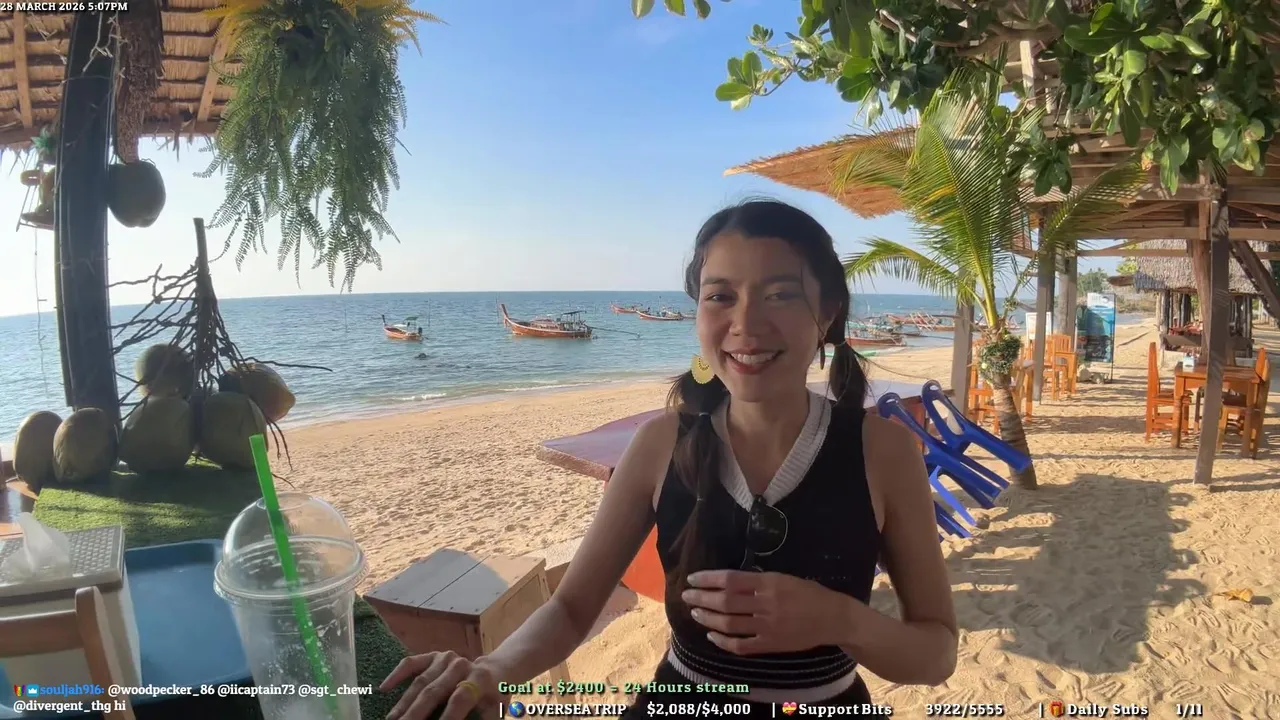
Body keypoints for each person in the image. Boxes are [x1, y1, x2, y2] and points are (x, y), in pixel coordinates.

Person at [380, 199, 957, 719]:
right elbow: (573, 608)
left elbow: (935, 655)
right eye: (720, 296)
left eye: (780, 294)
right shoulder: (661, 444)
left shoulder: (882, 452)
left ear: (827, 314)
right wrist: (492, 669)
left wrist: (840, 619)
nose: (746, 324)